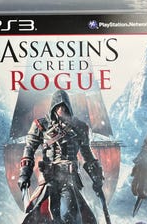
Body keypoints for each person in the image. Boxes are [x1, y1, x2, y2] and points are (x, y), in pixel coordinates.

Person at [18, 90, 104, 224]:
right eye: (58, 106)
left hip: (69, 179)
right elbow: (29, 150)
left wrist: (96, 177)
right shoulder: (41, 125)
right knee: (36, 217)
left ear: (69, 107)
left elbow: (87, 155)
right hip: (48, 180)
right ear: (53, 107)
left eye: (64, 106)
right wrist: (24, 174)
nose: (61, 109)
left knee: (69, 215)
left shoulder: (79, 127)